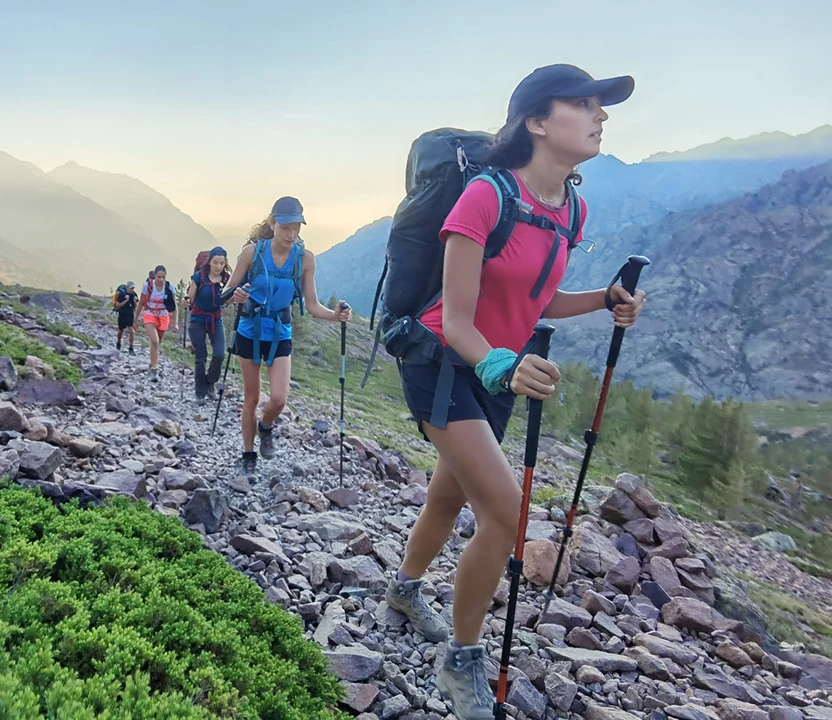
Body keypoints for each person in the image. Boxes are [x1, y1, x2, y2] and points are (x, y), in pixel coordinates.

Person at [383, 64, 646, 719]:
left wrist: (602, 301)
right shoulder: (485, 197)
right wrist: (503, 365)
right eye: (583, 105)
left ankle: (404, 589)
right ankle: (462, 662)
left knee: (448, 495)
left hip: (497, 372)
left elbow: (536, 300)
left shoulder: (571, 209)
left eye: (601, 107)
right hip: (443, 361)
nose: (600, 116)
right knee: (506, 514)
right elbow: (462, 317)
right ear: (535, 120)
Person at [226, 196, 352, 480]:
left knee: (280, 399)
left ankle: (266, 427)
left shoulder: (305, 259)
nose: (291, 234)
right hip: (250, 329)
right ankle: (248, 454)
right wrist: (235, 296)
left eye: (296, 227)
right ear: (272, 223)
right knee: (251, 397)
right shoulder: (252, 253)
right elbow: (228, 291)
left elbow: (312, 305)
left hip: (280, 331)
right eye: (285, 227)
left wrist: (337, 315)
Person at [187, 247, 231, 402]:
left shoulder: (227, 279)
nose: (218, 266)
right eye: (215, 262)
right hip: (198, 319)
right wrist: (186, 301)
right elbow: (190, 298)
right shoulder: (199, 277)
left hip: (216, 319)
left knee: (220, 354)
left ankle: (210, 382)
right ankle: (200, 392)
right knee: (201, 357)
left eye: (221, 263)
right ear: (209, 262)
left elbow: (228, 299)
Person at [134, 264, 178, 382]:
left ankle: (152, 363)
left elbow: (174, 306)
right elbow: (140, 304)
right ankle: (154, 369)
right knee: (155, 340)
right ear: (154, 277)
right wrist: (135, 320)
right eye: (159, 277)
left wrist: (175, 322)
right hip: (150, 314)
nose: (161, 280)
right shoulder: (147, 286)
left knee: (157, 342)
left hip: (163, 316)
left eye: (163, 277)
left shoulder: (169, 287)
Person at [113, 280, 137, 354]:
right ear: (127, 287)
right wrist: (126, 300)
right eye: (130, 288)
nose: (132, 290)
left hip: (130, 314)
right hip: (122, 314)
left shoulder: (134, 295)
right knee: (121, 330)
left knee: (131, 331)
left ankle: (131, 347)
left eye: (133, 288)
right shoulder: (121, 294)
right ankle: (119, 342)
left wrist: (135, 302)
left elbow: (135, 306)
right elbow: (118, 305)